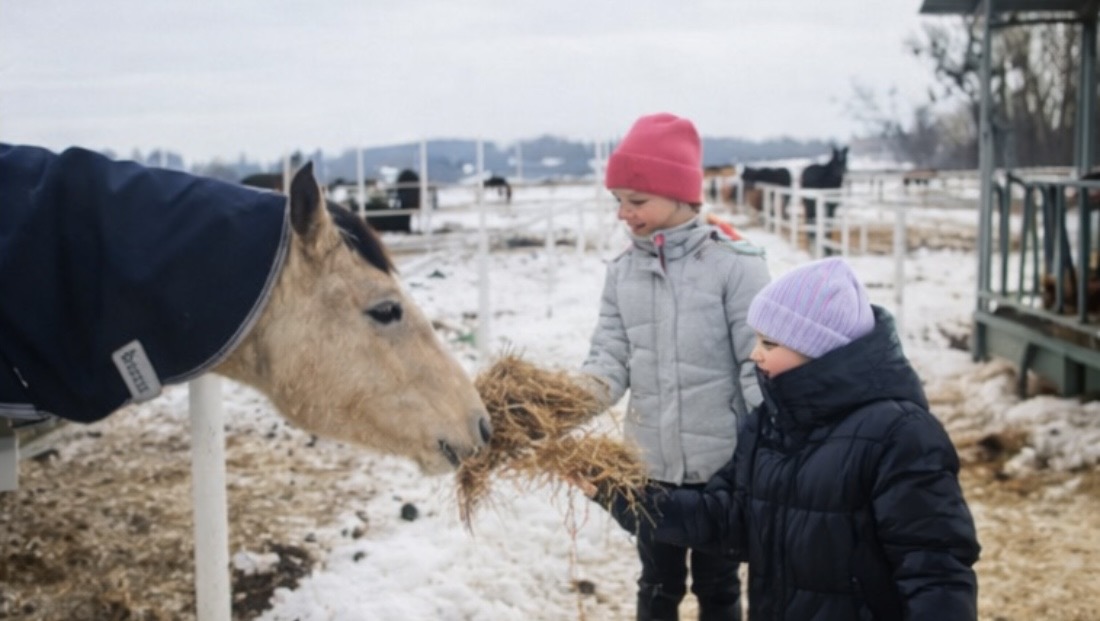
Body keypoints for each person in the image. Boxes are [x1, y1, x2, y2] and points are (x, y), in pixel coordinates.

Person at [587, 257, 981, 621]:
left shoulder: (899, 435)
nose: (754, 354)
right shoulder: (772, 423)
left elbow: (936, 570)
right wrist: (621, 494)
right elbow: (727, 518)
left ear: (819, 348)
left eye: (770, 343)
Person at [579, 112, 771, 621]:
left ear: (680, 194)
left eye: (636, 200)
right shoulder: (623, 273)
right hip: (649, 468)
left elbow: (757, 363)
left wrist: (777, 443)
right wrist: (562, 405)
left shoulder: (736, 266)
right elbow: (608, 358)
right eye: (618, 199)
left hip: (721, 470)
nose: (623, 212)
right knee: (657, 584)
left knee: (719, 585)